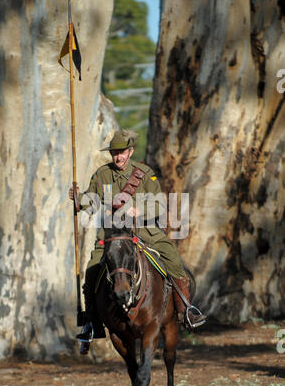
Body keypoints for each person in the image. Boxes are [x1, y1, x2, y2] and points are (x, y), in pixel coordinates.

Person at [69, 129, 206, 351]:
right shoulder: (102, 174)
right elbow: (90, 199)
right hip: (112, 235)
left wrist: (138, 208)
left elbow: (160, 204)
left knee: (171, 257)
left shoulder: (144, 174)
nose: (118, 156)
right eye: (114, 152)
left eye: (121, 152)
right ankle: (92, 323)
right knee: (92, 270)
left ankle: (186, 309)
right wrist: (78, 199)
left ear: (130, 151)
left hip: (144, 231)